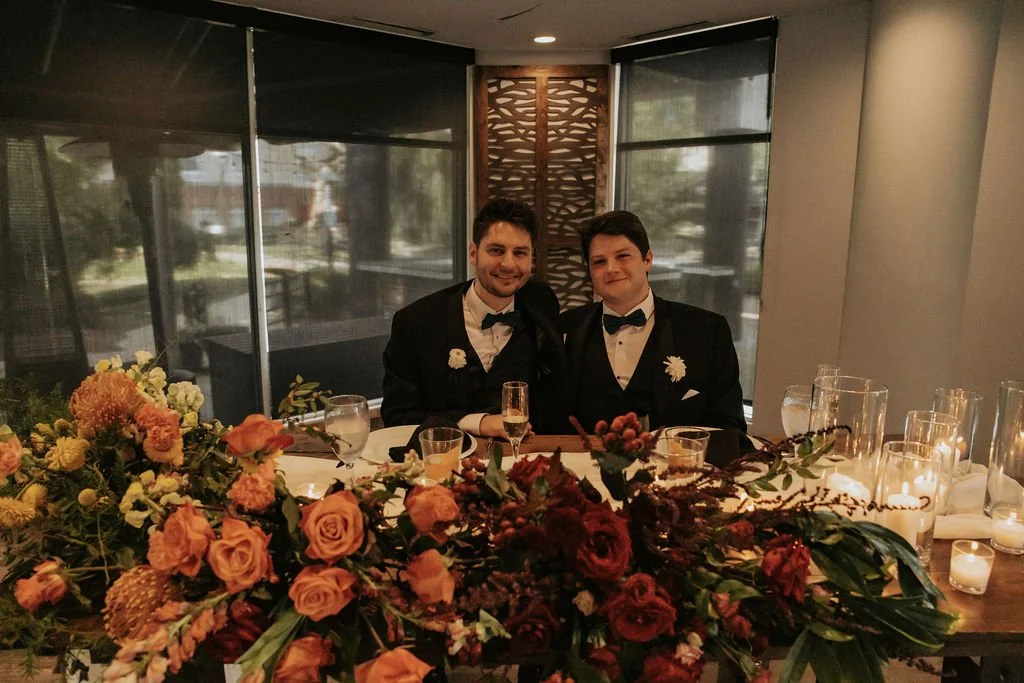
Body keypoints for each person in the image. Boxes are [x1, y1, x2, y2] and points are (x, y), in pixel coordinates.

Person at [381, 198, 563, 436]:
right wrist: (476, 423)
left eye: (520, 253)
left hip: (524, 460)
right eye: (496, 250)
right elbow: (398, 418)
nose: (508, 264)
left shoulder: (542, 303)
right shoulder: (416, 323)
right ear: (473, 253)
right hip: (445, 464)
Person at [560, 210, 746, 433]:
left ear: (647, 260)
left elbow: (729, 427)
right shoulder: (567, 328)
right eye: (599, 262)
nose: (611, 269)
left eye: (622, 256)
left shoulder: (707, 330)